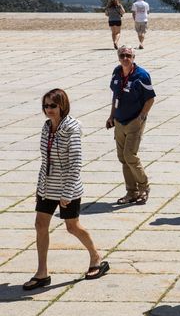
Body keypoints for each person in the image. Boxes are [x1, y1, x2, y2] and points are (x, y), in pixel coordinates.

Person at [24, 89, 109, 291]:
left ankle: (96, 256)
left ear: (62, 105)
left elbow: (75, 163)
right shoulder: (46, 127)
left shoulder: (71, 129)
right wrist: (40, 186)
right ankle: (42, 272)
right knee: (40, 224)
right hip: (46, 187)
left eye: (53, 105)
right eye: (46, 106)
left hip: (66, 188)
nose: (49, 110)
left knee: (72, 227)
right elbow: (46, 159)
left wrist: (67, 192)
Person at [107, 46, 155, 205]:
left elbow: (150, 99)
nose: (125, 58)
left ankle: (144, 186)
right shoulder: (116, 72)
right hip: (119, 121)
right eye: (122, 55)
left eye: (128, 55)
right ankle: (131, 192)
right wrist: (111, 116)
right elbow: (115, 96)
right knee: (122, 158)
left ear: (133, 57)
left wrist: (141, 117)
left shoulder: (141, 75)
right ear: (118, 57)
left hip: (134, 121)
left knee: (130, 156)